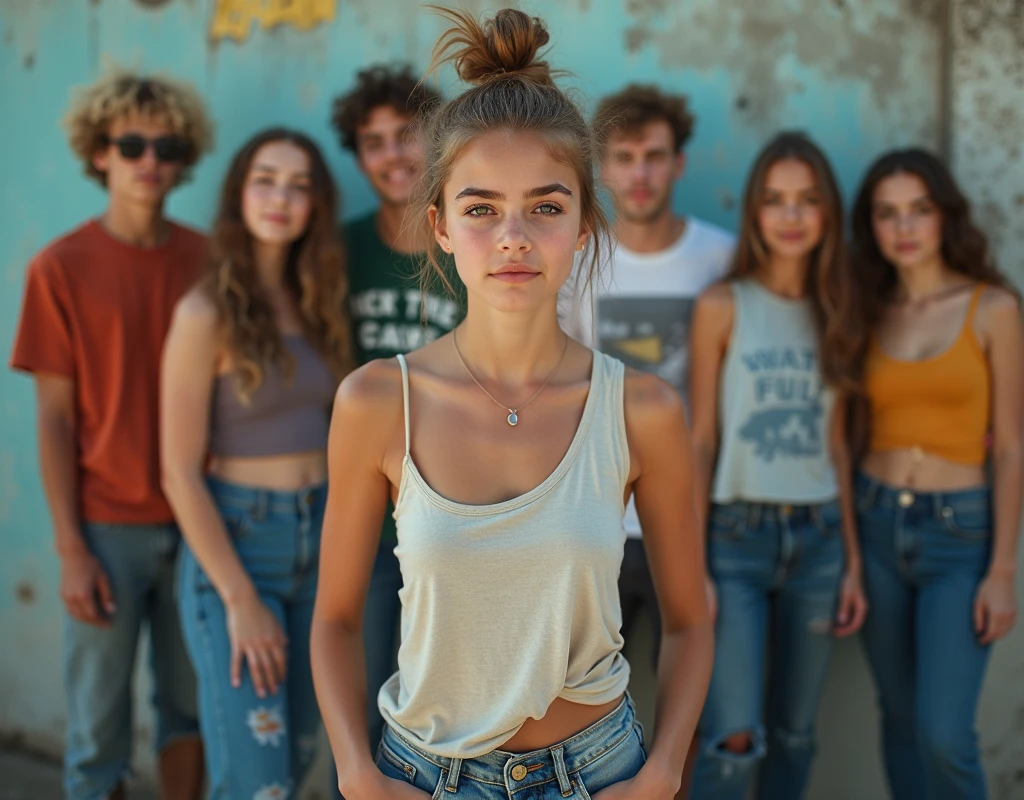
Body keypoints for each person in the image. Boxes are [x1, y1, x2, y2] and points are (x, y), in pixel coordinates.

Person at [311, 7, 713, 800]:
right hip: (424, 775)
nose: (514, 236)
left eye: (547, 206)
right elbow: (334, 619)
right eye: (481, 207)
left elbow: (693, 622)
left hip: (598, 772)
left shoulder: (643, 410)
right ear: (441, 227)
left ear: (587, 227)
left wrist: (663, 772)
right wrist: (356, 774)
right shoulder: (374, 401)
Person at [9, 70, 212, 800]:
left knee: (191, 714)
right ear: (99, 153)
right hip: (105, 531)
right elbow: (55, 417)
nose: (149, 159)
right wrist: (69, 548)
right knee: (98, 733)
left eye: (166, 145)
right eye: (131, 144)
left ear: (185, 156)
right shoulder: (58, 268)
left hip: (201, 523)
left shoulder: (209, 261)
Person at [160, 129, 354, 799]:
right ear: (238, 193)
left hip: (321, 540)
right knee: (256, 783)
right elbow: (178, 471)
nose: (281, 198)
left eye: (299, 186)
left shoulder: (319, 302)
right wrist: (240, 599)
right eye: (266, 179)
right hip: (242, 548)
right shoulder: (203, 311)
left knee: (301, 756)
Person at [833, 148, 1022, 799]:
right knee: (902, 721)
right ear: (872, 226)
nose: (904, 227)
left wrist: (1002, 571)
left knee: (944, 736)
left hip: (959, 537)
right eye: (888, 214)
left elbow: (1012, 447)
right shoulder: (868, 312)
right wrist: (854, 558)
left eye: (919, 209)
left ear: (945, 216)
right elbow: (849, 441)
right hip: (878, 523)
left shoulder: (992, 309)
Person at [687, 132, 868, 800]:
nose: (791, 216)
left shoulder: (842, 311)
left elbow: (840, 445)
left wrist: (851, 558)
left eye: (807, 200)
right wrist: (695, 560)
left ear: (828, 213)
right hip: (735, 541)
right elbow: (701, 438)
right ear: (755, 213)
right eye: (774, 201)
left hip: (820, 543)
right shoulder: (722, 305)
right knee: (734, 735)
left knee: (795, 733)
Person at [565, 82, 734, 671]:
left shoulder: (722, 258)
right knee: (580, 702)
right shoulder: (575, 265)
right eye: (623, 157)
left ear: (678, 163)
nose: (640, 174)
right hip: (596, 522)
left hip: (688, 517)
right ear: (602, 169)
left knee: (695, 707)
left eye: (654, 156)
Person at [328, 64, 461, 767]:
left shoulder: (471, 247)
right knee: (364, 713)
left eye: (406, 134)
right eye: (372, 142)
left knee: (447, 722)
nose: (392, 154)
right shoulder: (338, 252)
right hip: (368, 522)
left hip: (458, 520)